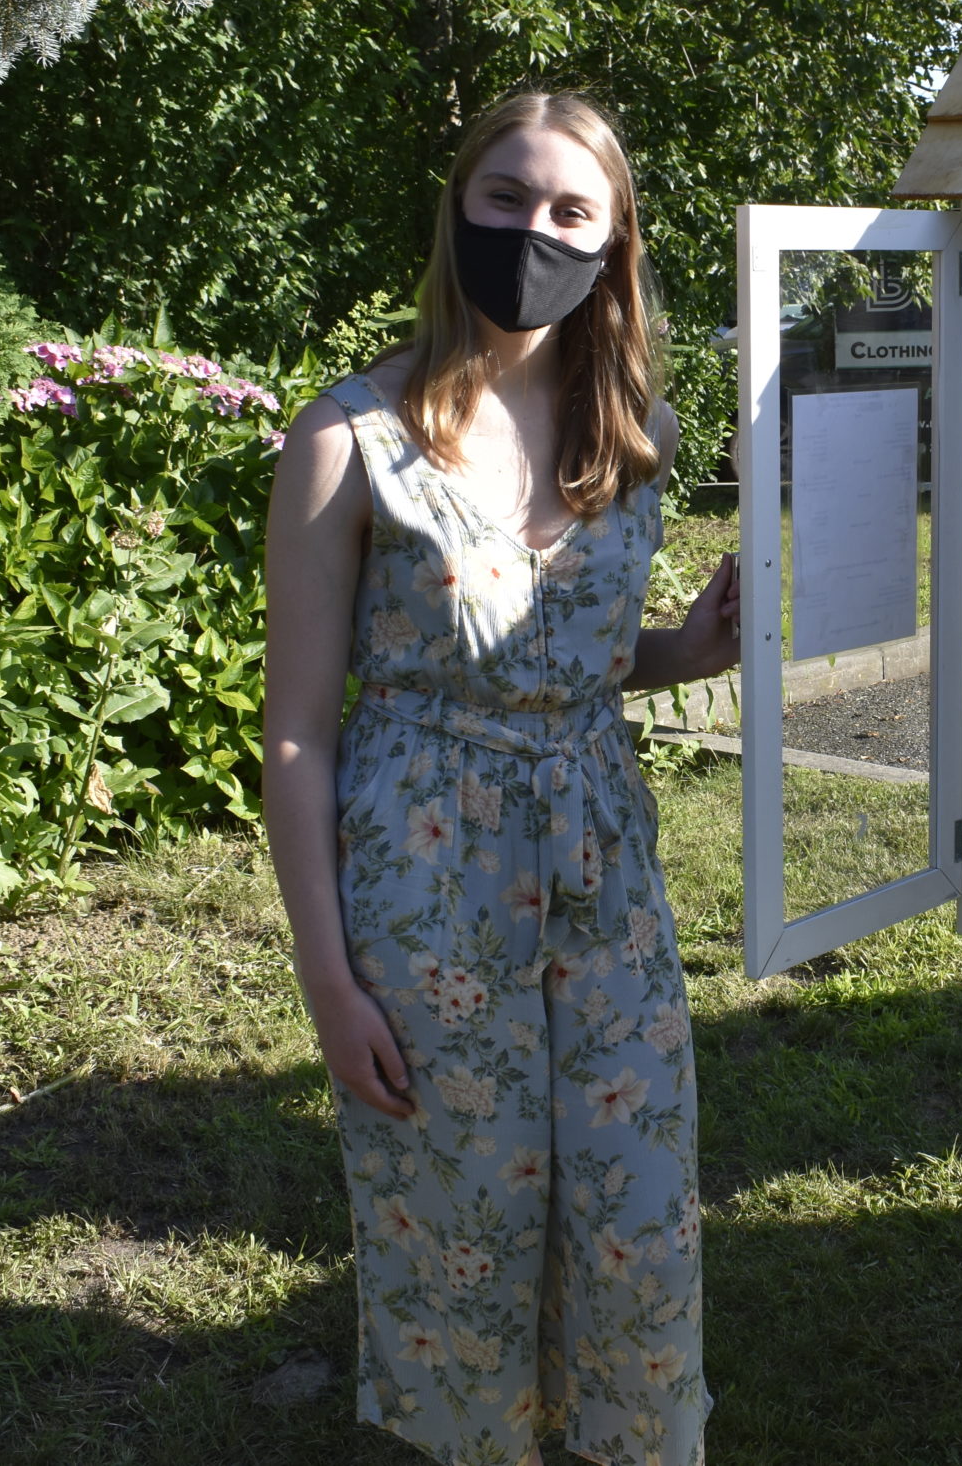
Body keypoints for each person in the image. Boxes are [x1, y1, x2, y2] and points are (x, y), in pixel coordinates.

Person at [263, 90, 738, 1466]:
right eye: (506, 197)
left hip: (607, 884)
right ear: (458, 208)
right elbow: (298, 727)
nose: (533, 227)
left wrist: (677, 649)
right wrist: (330, 979)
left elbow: (567, 663)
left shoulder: (628, 430)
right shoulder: (347, 438)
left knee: (634, 1219)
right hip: (428, 897)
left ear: (611, 242)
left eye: (568, 210)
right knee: (458, 1235)